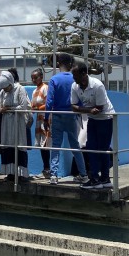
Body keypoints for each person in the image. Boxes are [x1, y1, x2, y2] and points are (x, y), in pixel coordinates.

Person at [71, 61, 116, 190]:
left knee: (103, 148)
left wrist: (86, 110)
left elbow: (100, 108)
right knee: (91, 147)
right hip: (93, 118)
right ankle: (95, 179)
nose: (74, 78)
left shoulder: (97, 85)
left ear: (84, 73)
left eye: (76, 75)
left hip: (105, 118)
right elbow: (74, 106)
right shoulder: (75, 86)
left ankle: (105, 178)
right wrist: (89, 111)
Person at [43, 53, 86, 185]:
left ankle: (54, 175)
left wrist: (46, 118)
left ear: (58, 64)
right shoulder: (74, 79)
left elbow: (49, 101)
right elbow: (80, 98)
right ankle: (83, 174)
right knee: (75, 146)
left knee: (56, 146)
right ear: (70, 64)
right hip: (72, 115)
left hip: (57, 115)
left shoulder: (54, 79)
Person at [0, 71, 31, 182]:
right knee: (7, 146)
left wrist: (8, 109)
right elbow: (0, 106)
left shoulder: (20, 89)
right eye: (3, 88)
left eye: (7, 87)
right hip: (6, 123)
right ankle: (10, 172)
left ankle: (21, 174)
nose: (5, 90)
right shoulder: (2, 92)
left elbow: (23, 107)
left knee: (18, 145)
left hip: (17, 122)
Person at [30, 68, 51, 178]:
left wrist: (37, 109)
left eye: (36, 77)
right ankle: (45, 168)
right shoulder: (34, 91)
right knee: (41, 144)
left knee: (45, 143)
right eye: (32, 78)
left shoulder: (45, 88)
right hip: (38, 119)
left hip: (46, 118)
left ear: (41, 77)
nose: (34, 80)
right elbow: (33, 105)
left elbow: (48, 103)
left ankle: (47, 169)